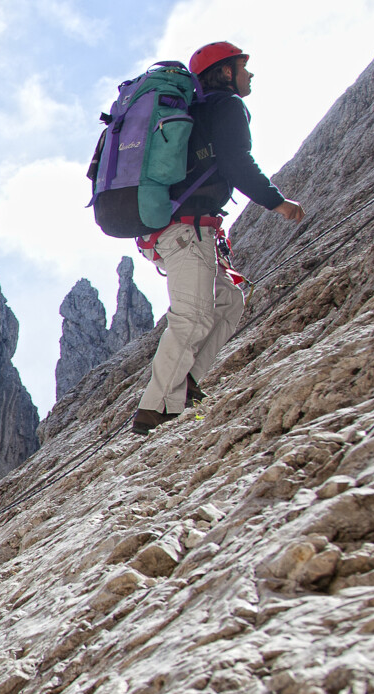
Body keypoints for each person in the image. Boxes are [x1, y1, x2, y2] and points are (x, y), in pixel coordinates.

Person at [133, 41, 306, 435]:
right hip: (186, 232)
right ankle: (156, 409)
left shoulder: (193, 112)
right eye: (244, 67)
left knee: (227, 299)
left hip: (176, 232)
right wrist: (278, 203)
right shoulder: (226, 107)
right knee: (192, 316)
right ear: (225, 72)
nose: (250, 74)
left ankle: (187, 381)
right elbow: (236, 162)